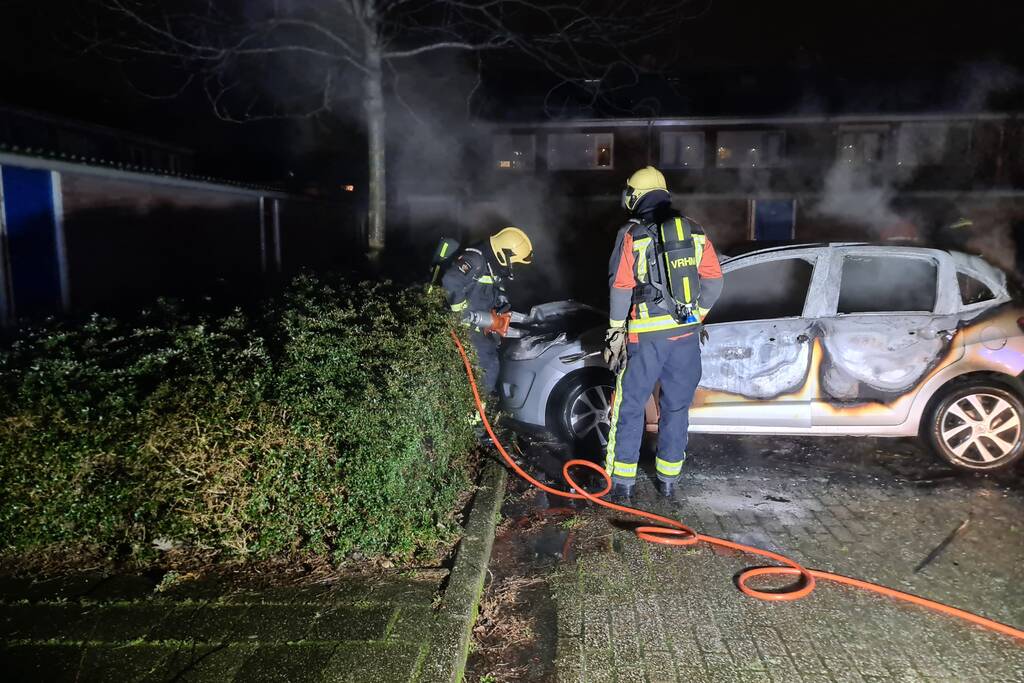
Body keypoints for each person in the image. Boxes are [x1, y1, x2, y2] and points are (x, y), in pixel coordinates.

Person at [603, 166, 723, 502]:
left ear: (635, 196)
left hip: (646, 338)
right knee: (676, 408)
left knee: (629, 406)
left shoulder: (632, 234)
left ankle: (622, 485)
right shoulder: (695, 231)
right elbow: (714, 281)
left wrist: (615, 331)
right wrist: (695, 315)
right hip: (685, 338)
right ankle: (668, 482)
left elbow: (621, 286)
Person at [442, 227, 533, 394]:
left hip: (476, 327)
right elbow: (450, 281)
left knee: (486, 366)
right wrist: (462, 313)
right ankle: (475, 416)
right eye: (516, 263)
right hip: (462, 327)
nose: (515, 268)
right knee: (487, 366)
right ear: (503, 253)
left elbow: (488, 293)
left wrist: (499, 306)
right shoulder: (475, 259)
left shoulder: (492, 265)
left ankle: (475, 412)